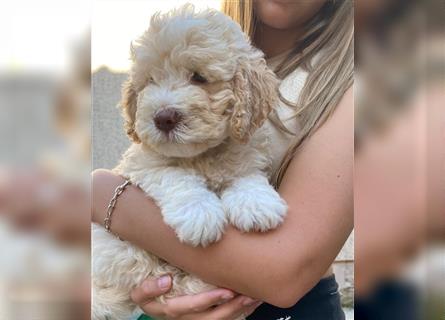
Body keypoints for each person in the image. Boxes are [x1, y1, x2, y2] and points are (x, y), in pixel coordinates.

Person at [92, 0, 353, 319]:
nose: (168, 103)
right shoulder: (210, 34)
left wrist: (104, 193)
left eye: (199, 79)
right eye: (152, 82)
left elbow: (286, 273)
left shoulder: (351, 74)